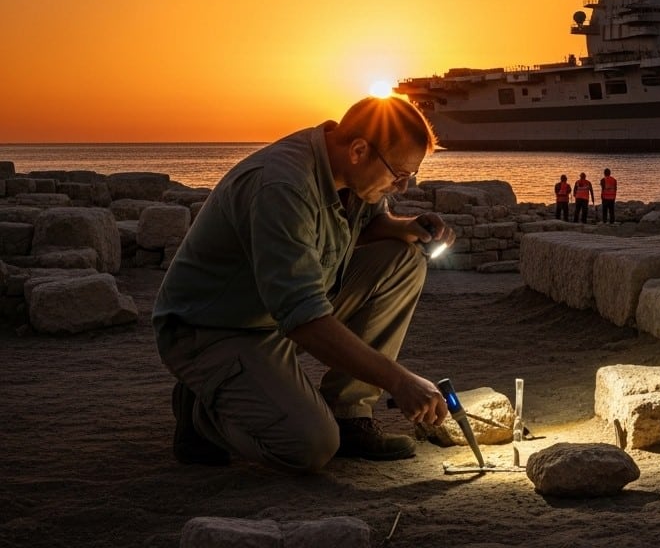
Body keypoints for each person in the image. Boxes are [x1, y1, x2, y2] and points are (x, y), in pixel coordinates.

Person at [152, 96, 455, 474]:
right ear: (359, 150)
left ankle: (349, 414)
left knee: (403, 260)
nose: (403, 187)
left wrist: (402, 227)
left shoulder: (349, 174)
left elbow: (361, 225)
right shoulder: (282, 185)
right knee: (309, 445)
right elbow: (304, 317)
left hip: (272, 315)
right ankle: (202, 412)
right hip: (213, 329)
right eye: (398, 175)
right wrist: (400, 381)